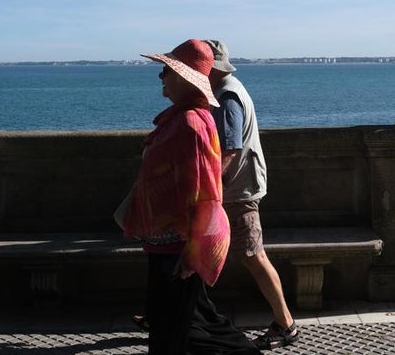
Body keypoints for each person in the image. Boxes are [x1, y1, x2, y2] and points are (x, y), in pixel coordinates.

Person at [119, 38, 258, 355]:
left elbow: (204, 193)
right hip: (169, 244)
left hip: (177, 247)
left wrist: (193, 254)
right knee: (191, 324)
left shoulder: (189, 124)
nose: (161, 78)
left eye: (165, 71)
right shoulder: (183, 118)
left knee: (181, 331)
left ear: (183, 77)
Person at [205, 39, 299, 350]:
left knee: (253, 255)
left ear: (211, 68)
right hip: (236, 187)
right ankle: (178, 313)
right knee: (201, 253)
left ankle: (286, 324)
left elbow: (229, 148)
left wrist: (209, 182)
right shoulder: (226, 89)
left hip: (238, 190)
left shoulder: (227, 95)